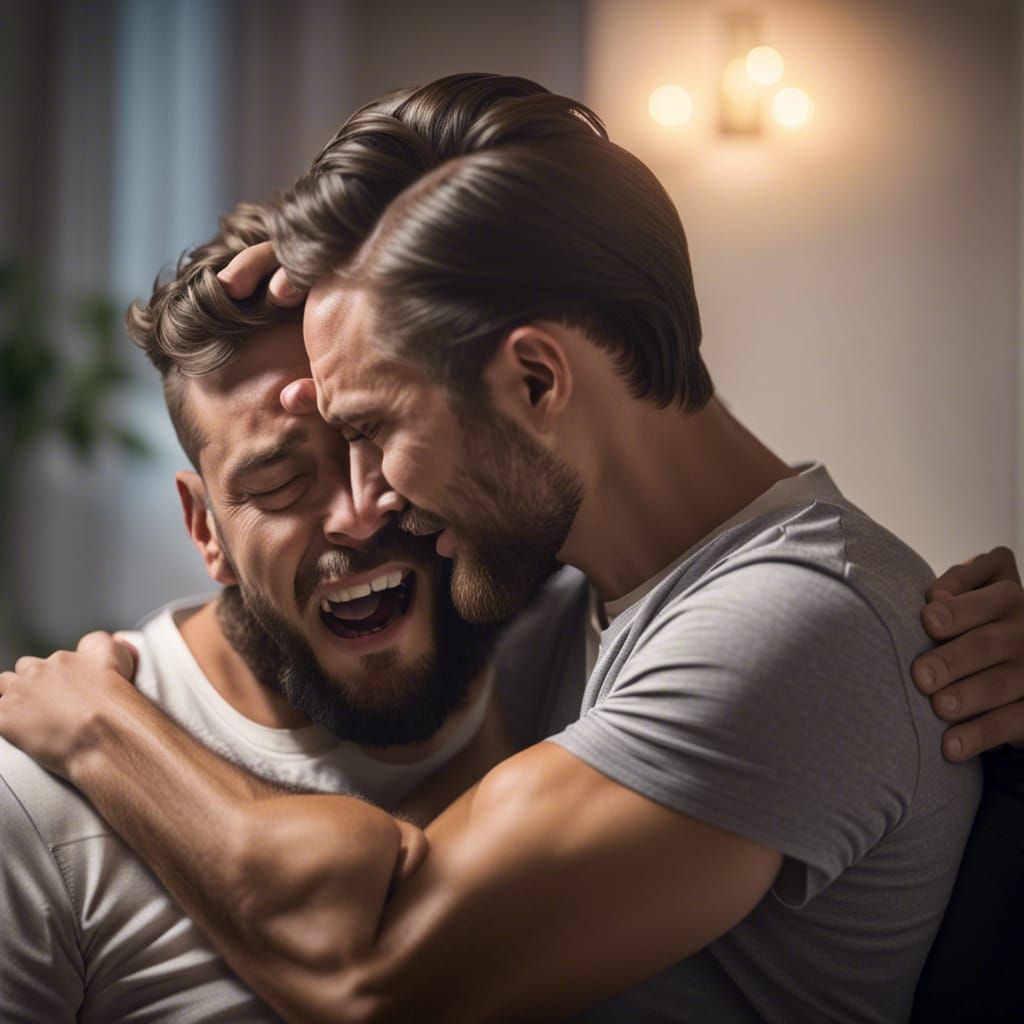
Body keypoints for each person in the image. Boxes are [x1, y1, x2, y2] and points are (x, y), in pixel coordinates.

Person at [2, 74, 1024, 1022]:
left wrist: (98, 720)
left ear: (535, 381)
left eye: (372, 428)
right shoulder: (557, 607)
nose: (373, 500)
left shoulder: (785, 628)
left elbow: (369, 971)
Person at [0, 203, 532, 1021]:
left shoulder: (576, 649)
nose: (357, 514)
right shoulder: (31, 801)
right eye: (280, 486)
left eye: (376, 433)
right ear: (204, 528)